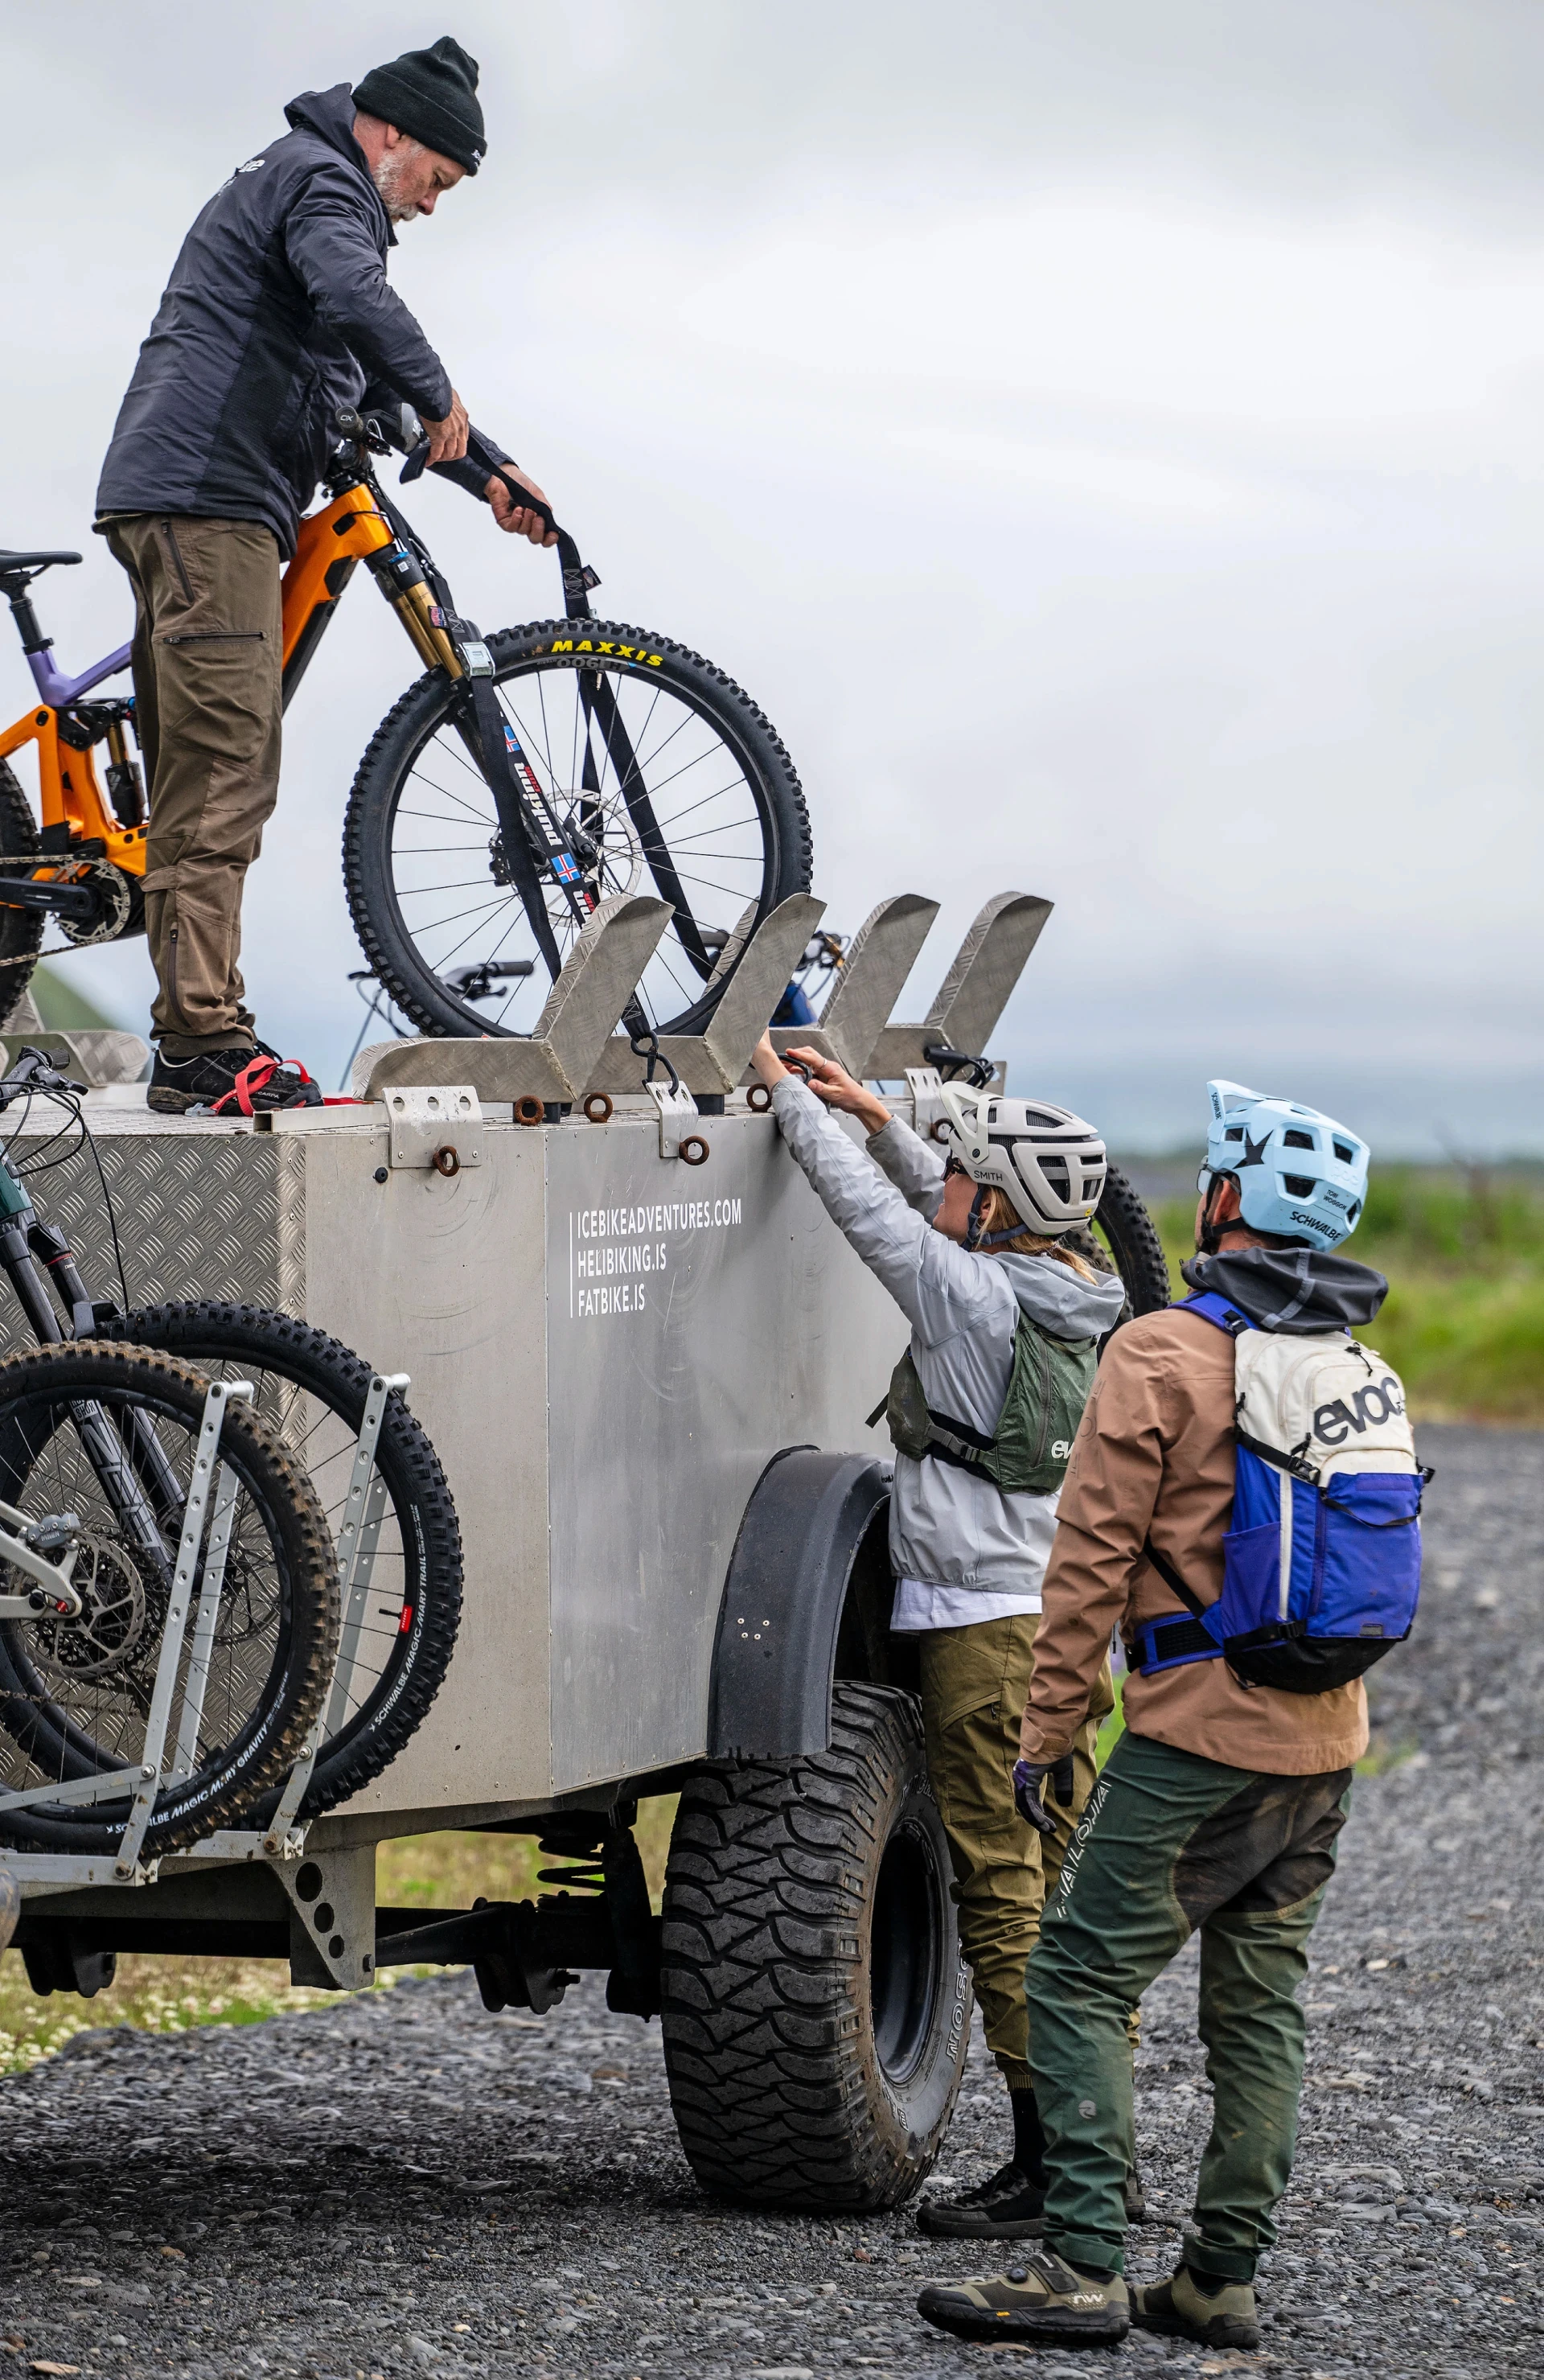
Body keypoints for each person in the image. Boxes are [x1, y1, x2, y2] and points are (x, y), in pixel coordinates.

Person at [918, 1081, 1392, 2353]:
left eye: (1214, 1172)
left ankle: (1077, 2266)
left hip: (1193, 1741)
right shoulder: (1356, 1363)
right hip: (1324, 1742)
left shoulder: (1164, 1349)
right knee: (1259, 2005)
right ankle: (1217, 2279)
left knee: (1074, 1974)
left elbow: (1085, 1562)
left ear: (1227, 1201)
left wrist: (1049, 1728)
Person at [94, 35, 556, 1115]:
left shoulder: (313, 194)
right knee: (224, 767)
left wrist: (482, 469)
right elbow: (355, 301)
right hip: (210, 501)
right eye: (438, 181)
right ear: (392, 133)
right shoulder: (322, 183)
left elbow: (351, 372)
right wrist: (444, 394)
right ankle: (201, 1043)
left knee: (200, 768)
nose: (434, 207)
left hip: (195, 492)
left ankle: (196, 1024)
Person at [747, 1034, 1128, 2234]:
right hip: (1071, 1632)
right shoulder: (1082, 1298)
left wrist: (786, 1097)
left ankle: (1053, 2170)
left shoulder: (972, 1299)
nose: (947, 1186)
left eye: (968, 1175)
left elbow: (877, 1218)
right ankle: (1090, 2149)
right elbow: (946, 1210)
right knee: (1058, 1895)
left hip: (984, 1643)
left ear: (1001, 1205)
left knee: (1005, 1904)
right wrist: (873, 1106)